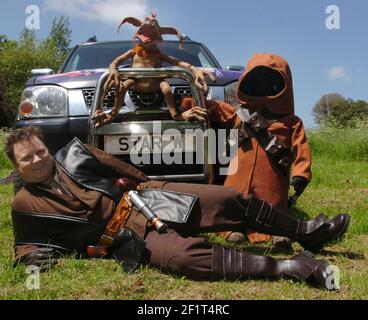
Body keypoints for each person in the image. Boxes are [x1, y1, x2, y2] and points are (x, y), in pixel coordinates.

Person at [6, 126, 350, 290]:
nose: (37, 160)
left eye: (40, 152)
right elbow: (26, 247)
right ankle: (293, 266)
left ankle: (305, 232)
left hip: (145, 198)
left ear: (46, 149)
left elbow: (116, 166)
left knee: (227, 199)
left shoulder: (73, 153)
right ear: (16, 167)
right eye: (27, 159)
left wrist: (143, 182)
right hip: (128, 236)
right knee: (185, 259)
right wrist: (34, 268)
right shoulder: (24, 204)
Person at [182, 53, 312, 245]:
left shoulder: (291, 122)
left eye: (271, 83)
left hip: (272, 185)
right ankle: (232, 227)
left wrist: (302, 173)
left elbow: (301, 148)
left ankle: (276, 230)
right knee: (234, 202)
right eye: (256, 82)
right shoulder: (239, 114)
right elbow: (211, 108)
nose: (262, 88)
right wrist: (192, 99)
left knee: (272, 206)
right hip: (237, 180)